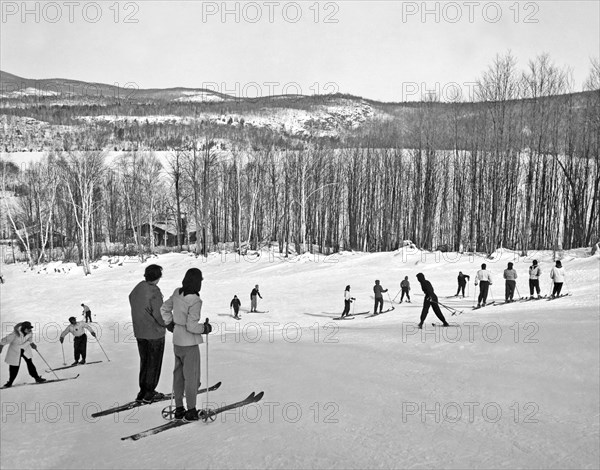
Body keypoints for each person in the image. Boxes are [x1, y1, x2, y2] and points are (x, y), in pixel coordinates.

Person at [161, 268, 213, 422]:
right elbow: (191, 326)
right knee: (192, 377)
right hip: (189, 343)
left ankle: (179, 408)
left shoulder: (177, 293)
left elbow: (164, 308)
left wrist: (169, 323)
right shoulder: (195, 300)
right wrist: (205, 328)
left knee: (178, 375)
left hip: (177, 340)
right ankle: (191, 410)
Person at [129, 264, 167, 403]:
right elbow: (159, 314)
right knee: (154, 363)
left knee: (145, 362)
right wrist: (168, 324)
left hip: (140, 331)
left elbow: (132, 299)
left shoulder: (138, 287)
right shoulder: (154, 291)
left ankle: (143, 391)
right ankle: (149, 393)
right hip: (154, 333)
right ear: (157, 277)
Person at [0, 321, 46, 387]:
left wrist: (32, 344)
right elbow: (4, 340)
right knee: (14, 366)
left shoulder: (30, 332)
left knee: (30, 363)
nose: (30, 330)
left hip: (25, 349)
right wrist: (1, 346)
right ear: (23, 328)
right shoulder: (15, 334)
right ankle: (10, 382)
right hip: (15, 350)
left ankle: (37, 378)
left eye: (30, 328)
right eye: (28, 328)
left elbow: (30, 340)